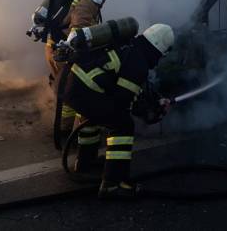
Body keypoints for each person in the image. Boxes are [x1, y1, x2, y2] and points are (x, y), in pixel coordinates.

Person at [58, 23, 175, 199]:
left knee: (95, 112)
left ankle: (85, 162)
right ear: (158, 49)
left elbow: (128, 87)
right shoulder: (139, 62)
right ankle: (112, 184)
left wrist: (152, 100)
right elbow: (123, 100)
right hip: (83, 91)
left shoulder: (129, 45)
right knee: (123, 124)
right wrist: (149, 110)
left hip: (71, 83)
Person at [45, 0, 120, 133]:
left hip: (56, 48)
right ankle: (69, 132)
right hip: (63, 52)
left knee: (68, 93)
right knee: (73, 93)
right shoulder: (88, 1)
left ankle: (65, 130)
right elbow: (79, 28)